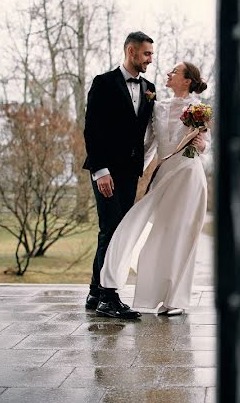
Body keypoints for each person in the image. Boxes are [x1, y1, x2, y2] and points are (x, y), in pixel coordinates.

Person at [100, 61, 209, 317]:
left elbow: (205, 147)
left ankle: (176, 299)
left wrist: (202, 143)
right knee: (153, 230)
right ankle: (118, 281)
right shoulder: (157, 107)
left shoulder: (198, 109)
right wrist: (134, 170)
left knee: (182, 235)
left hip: (189, 176)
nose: (168, 74)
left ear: (187, 80)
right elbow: (150, 144)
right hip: (164, 177)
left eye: (175, 72)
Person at [82, 31, 156, 320]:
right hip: (105, 172)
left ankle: (94, 291)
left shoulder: (149, 88)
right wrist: (100, 171)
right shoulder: (103, 83)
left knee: (116, 231)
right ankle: (108, 297)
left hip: (129, 173)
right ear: (131, 51)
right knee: (111, 229)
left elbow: (148, 133)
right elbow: (92, 129)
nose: (150, 58)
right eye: (146, 54)